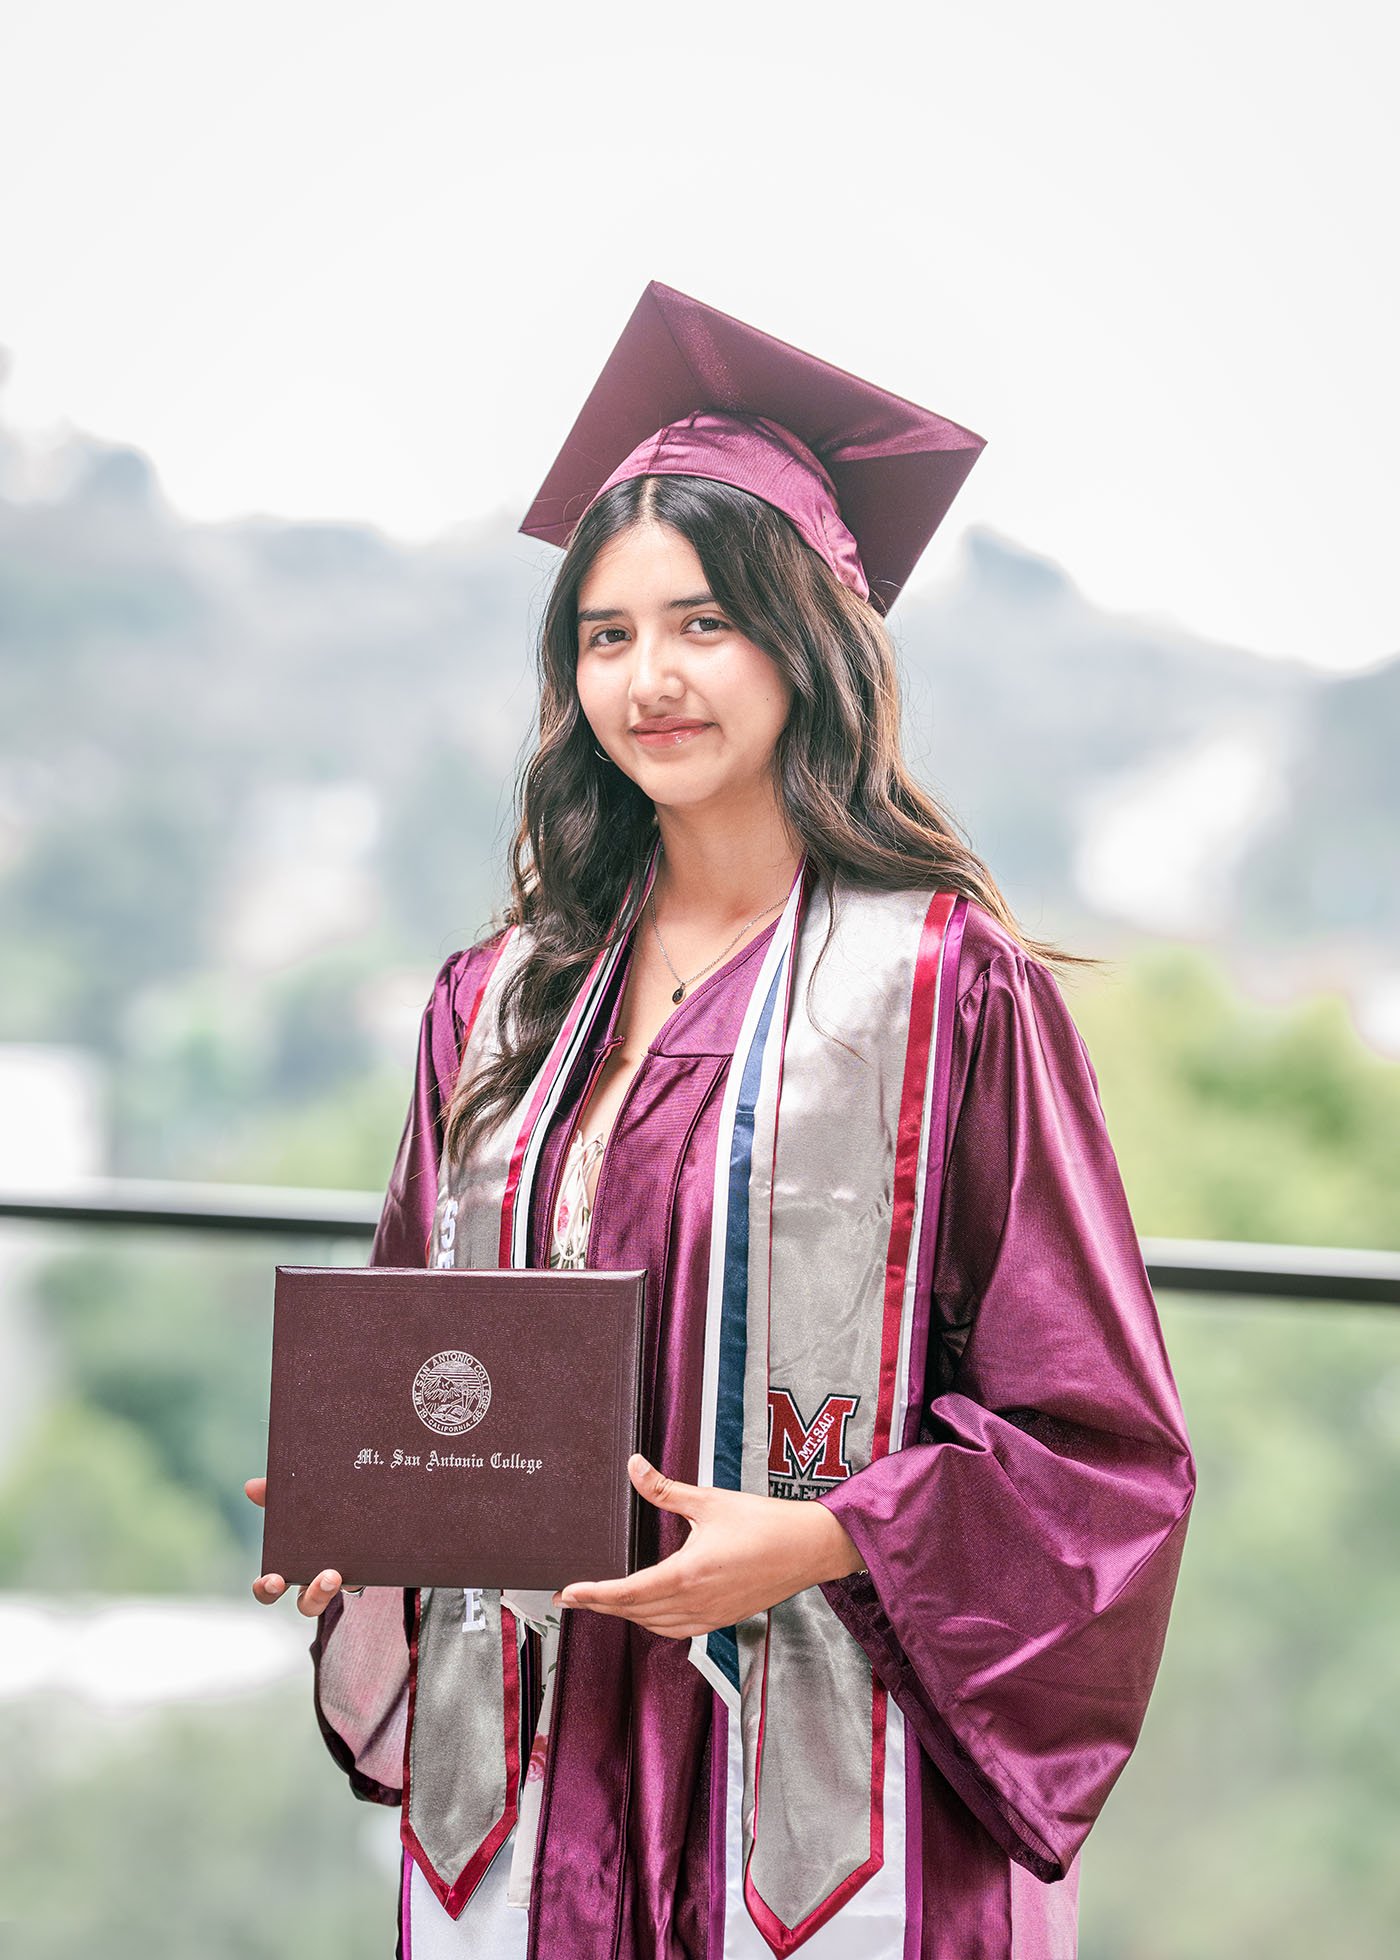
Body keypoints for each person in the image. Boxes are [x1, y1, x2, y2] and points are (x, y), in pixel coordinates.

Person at [245, 280, 1196, 1960]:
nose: (649, 679)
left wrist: (826, 1537)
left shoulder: (951, 998)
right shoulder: (497, 1006)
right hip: (543, 1751)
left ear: (805, 641)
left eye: (703, 623)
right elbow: (425, 1349)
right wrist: (364, 1510)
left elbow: (1100, 1445)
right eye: (606, 637)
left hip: (827, 1764)